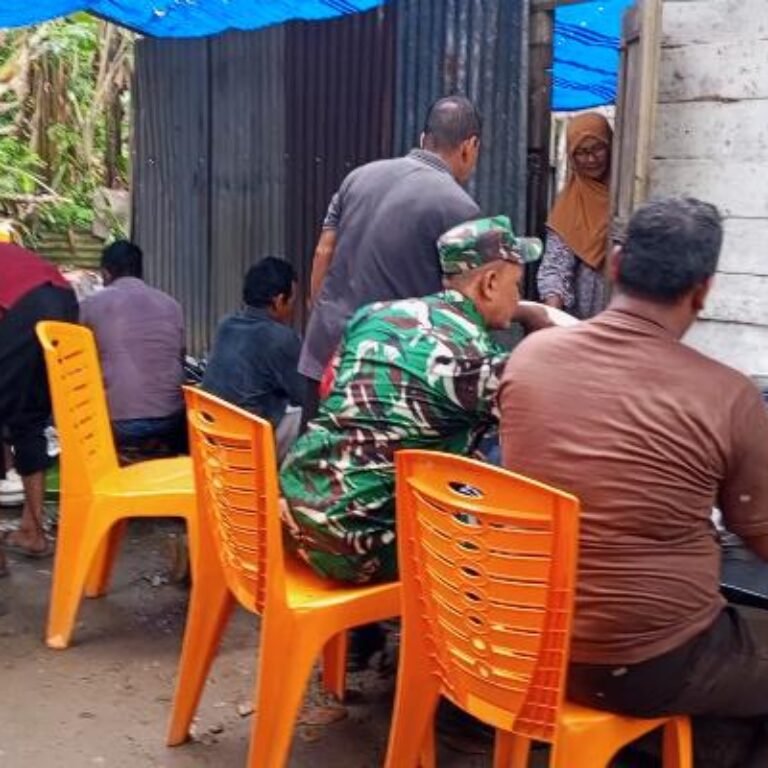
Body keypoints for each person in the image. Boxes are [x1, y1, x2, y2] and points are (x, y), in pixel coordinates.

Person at [499, 197, 768, 768]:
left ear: (616, 265)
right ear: (703, 291)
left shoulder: (529, 358)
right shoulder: (728, 396)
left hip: (524, 641)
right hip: (641, 663)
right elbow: (759, 530)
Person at [281, 215, 547, 586]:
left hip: (294, 509)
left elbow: (329, 387)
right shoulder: (474, 359)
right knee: (502, 468)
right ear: (489, 283)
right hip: (354, 547)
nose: (518, 298)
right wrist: (542, 329)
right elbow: (537, 417)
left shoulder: (375, 314)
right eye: (516, 286)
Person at [299, 95, 483, 419]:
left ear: (423, 139)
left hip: (325, 351)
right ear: (470, 146)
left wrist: (324, 316)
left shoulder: (358, 177)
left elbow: (323, 251)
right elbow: (463, 303)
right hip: (386, 370)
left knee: (315, 447)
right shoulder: (461, 209)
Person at [0, 243, 78, 571]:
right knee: (28, 418)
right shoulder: (9, 253)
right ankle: (32, 532)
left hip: (25, 306)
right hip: (64, 301)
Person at [80, 240, 186, 459]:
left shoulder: (90, 305)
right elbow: (180, 357)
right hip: (172, 418)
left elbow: (76, 363)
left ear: (106, 273)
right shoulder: (171, 304)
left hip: (121, 423)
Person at [202, 257, 305, 461]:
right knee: (311, 413)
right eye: (292, 301)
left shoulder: (225, 325)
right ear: (278, 300)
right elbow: (304, 396)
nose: (293, 309)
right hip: (251, 447)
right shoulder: (281, 338)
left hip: (214, 441)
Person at [537, 112, 612, 319]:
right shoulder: (569, 204)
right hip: (582, 320)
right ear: (571, 156)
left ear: (611, 146)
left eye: (598, 148)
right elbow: (555, 267)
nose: (591, 159)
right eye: (581, 152)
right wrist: (552, 318)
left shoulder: (626, 195)